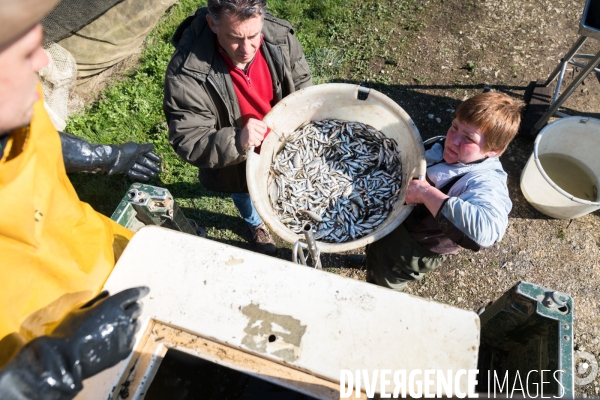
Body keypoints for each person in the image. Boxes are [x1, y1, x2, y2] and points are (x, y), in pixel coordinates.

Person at [0, 0, 158, 397]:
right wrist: (54, 368)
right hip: (65, 361)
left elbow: (36, 134)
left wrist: (108, 157)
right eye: (22, 52)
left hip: (112, 259)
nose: (41, 62)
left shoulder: (10, 103)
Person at [163, 0, 313, 255]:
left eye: (254, 35)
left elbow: (301, 81)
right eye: (234, 38)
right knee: (242, 190)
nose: (246, 49)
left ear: (262, 20)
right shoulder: (186, 73)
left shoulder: (280, 37)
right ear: (212, 23)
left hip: (282, 139)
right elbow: (188, 139)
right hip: (236, 157)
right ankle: (255, 224)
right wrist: (236, 141)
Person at [349, 92, 524, 292]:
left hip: (412, 249)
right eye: (455, 126)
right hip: (393, 224)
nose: (453, 140)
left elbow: (486, 231)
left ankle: (378, 288)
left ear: (494, 150)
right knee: (377, 251)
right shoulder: (444, 144)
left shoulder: (484, 181)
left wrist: (425, 193)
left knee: (385, 281)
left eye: (468, 138)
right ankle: (372, 261)